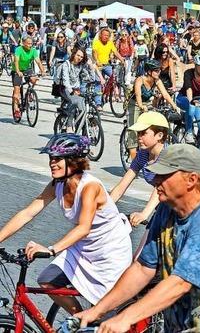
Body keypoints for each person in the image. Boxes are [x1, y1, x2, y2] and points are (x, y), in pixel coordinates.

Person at [76, 144, 200, 332]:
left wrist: (126, 317)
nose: (155, 180)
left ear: (191, 179)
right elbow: (143, 269)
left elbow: (182, 282)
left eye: (164, 175)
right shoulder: (166, 210)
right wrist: (98, 310)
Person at [0, 134, 132, 314]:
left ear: (73, 161)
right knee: (47, 280)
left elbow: (84, 228)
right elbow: (27, 213)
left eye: (57, 159)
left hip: (109, 253)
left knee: (104, 312)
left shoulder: (90, 187)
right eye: (50, 158)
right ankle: (78, 321)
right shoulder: (57, 185)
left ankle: (90, 321)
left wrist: (51, 249)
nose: (52, 163)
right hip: (84, 248)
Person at [111, 112, 170, 226]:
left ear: (159, 135)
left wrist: (144, 214)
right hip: (164, 205)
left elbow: (161, 187)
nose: (139, 137)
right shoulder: (143, 154)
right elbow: (122, 184)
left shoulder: (167, 155)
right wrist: (104, 207)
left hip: (184, 209)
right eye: (138, 133)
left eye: (143, 133)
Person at [126, 59, 179, 158]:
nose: (158, 72)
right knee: (134, 130)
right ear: (149, 71)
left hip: (147, 104)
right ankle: (133, 157)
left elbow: (165, 94)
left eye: (159, 70)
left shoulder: (157, 81)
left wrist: (174, 106)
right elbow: (138, 94)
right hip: (135, 104)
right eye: (156, 70)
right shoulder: (139, 80)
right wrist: (141, 106)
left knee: (151, 127)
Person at [11, 36, 46, 121]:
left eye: (31, 43)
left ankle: (30, 93)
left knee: (34, 79)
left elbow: (38, 61)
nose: (30, 45)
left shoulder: (33, 50)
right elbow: (16, 61)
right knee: (16, 91)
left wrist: (43, 71)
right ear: (23, 43)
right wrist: (18, 71)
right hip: (16, 69)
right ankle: (16, 109)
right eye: (28, 43)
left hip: (27, 69)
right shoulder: (19, 49)